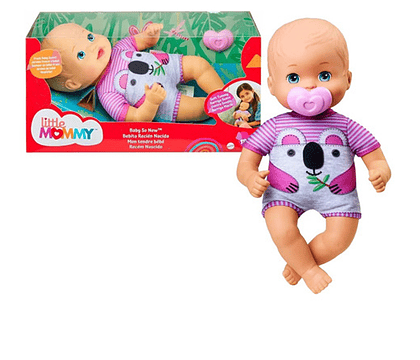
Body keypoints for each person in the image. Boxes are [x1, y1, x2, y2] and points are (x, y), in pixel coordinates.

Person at [237, 18, 391, 294]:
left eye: (324, 75)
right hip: (283, 194)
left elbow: (375, 155)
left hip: (338, 196)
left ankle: (300, 263)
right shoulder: (274, 127)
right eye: (293, 78)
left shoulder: (346, 126)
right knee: (282, 230)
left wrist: (380, 170)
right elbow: (247, 161)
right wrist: (249, 177)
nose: (309, 87)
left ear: (347, 79)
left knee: (340, 238)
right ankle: (308, 270)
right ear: (271, 85)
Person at [41, 22, 224, 122]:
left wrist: (150, 33)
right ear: (74, 83)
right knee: (201, 109)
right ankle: (224, 109)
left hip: (169, 66)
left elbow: (146, 41)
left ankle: (226, 94)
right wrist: (152, 102)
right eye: (81, 54)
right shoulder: (107, 95)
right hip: (164, 101)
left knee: (199, 64)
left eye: (89, 37)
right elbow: (137, 119)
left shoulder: (119, 47)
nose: (93, 45)